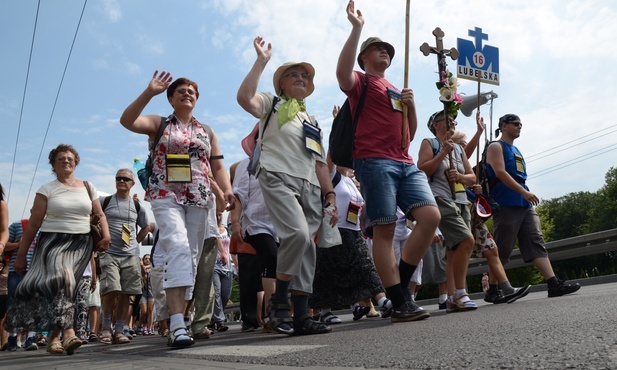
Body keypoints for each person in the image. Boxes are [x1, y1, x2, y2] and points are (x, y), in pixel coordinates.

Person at [336, 0, 440, 322]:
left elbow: (407, 135)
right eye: (377, 49)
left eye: (388, 51)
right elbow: (341, 74)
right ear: (364, 57)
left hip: (404, 161)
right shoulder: (361, 82)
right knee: (384, 229)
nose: (385, 53)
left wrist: (412, 106)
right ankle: (398, 300)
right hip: (374, 161)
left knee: (430, 217)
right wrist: (357, 29)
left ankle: (401, 289)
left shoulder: (397, 88)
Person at [119, 71, 234, 347]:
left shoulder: (206, 130)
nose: (187, 93)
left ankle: (182, 318)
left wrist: (226, 189)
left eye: (191, 90)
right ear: (171, 98)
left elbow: (217, 165)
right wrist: (149, 92)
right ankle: (177, 324)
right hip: (165, 194)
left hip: (199, 197)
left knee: (191, 258)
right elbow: (128, 121)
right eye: (180, 90)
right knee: (178, 247)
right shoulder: (160, 123)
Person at [237, 36, 338, 336]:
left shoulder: (312, 120)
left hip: (309, 185)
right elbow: (245, 98)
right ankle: (280, 302)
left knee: (308, 247)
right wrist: (261, 62)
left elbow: (320, 163)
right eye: (293, 74)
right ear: (281, 83)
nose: (300, 78)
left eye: (304, 76)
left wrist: (330, 195)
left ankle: (302, 316)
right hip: (276, 175)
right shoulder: (272, 102)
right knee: (296, 233)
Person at [4, 144, 111, 355]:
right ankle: (69, 332)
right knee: (65, 279)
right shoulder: (46, 190)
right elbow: (33, 225)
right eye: (61, 159)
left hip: (81, 244)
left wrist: (106, 235)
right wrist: (22, 256)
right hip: (52, 242)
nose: (66, 161)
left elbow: (100, 215)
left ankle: (54, 337)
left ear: (76, 163)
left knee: (67, 288)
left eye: (70, 158)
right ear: (53, 164)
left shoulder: (88, 187)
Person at [486, 114, 580, 298]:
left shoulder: (516, 149)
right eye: (515, 124)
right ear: (504, 126)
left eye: (521, 124)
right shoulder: (496, 146)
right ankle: (492, 289)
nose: (520, 127)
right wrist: (523, 192)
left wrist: (524, 194)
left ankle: (553, 284)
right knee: (502, 248)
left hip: (523, 202)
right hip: (507, 201)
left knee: (535, 241)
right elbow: (500, 173)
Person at [451, 114, 531, 304]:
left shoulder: (464, 165)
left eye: (464, 143)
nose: (464, 147)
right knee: (453, 253)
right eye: (460, 144)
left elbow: (469, 175)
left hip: (473, 213)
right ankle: (451, 295)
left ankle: (506, 289)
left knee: (491, 249)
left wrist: (474, 187)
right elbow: (465, 158)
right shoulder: (448, 161)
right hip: (456, 211)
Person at [418, 111, 478, 312]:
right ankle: (461, 293)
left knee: (454, 250)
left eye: (454, 120)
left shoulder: (460, 150)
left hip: (461, 201)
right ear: (436, 125)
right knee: (467, 241)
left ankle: (452, 297)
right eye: (448, 120)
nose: (453, 123)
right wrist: (442, 153)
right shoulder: (430, 143)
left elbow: (472, 178)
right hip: (441, 199)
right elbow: (422, 169)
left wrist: (460, 177)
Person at [97, 169, 152, 345]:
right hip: (110, 253)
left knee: (127, 293)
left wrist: (135, 241)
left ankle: (120, 329)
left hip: (130, 255)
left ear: (132, 183)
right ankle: (106, 327)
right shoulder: (104, 201)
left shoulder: (137, 206)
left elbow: (146, 227)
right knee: (111, 289)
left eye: (125, 179)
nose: (121, 181)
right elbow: (93, 219)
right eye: (118, 178)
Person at [230, 158, 278, 333]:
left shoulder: (285, 156)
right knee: (258, 269)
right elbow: (238, 192)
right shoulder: (247, 164)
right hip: (254, 224)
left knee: (277, 265)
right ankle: (260, 317)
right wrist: (235, 223)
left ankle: (276, 314)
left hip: (280, 224)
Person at [209, 212, 232, 332]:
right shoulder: (210, 230)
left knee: (225, 295)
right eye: (216, 214)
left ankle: (214, 318)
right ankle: (220, 321)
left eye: (220, 214)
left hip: (227, 267)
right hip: (214, 266)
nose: (218, 216)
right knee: (216, 293)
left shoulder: (227, 230)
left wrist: (236, 264)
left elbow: (232, 248)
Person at [139, 254, 155, 335]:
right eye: (146, 258)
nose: (147, 260)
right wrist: (142, 265)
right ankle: (140, 325)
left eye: (149, 258)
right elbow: (142, 272)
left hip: (151, 292)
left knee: (150, 310)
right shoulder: (141, 268)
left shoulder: (153, 268)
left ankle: (149, 328)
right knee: (144, 311)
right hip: (143, 292)